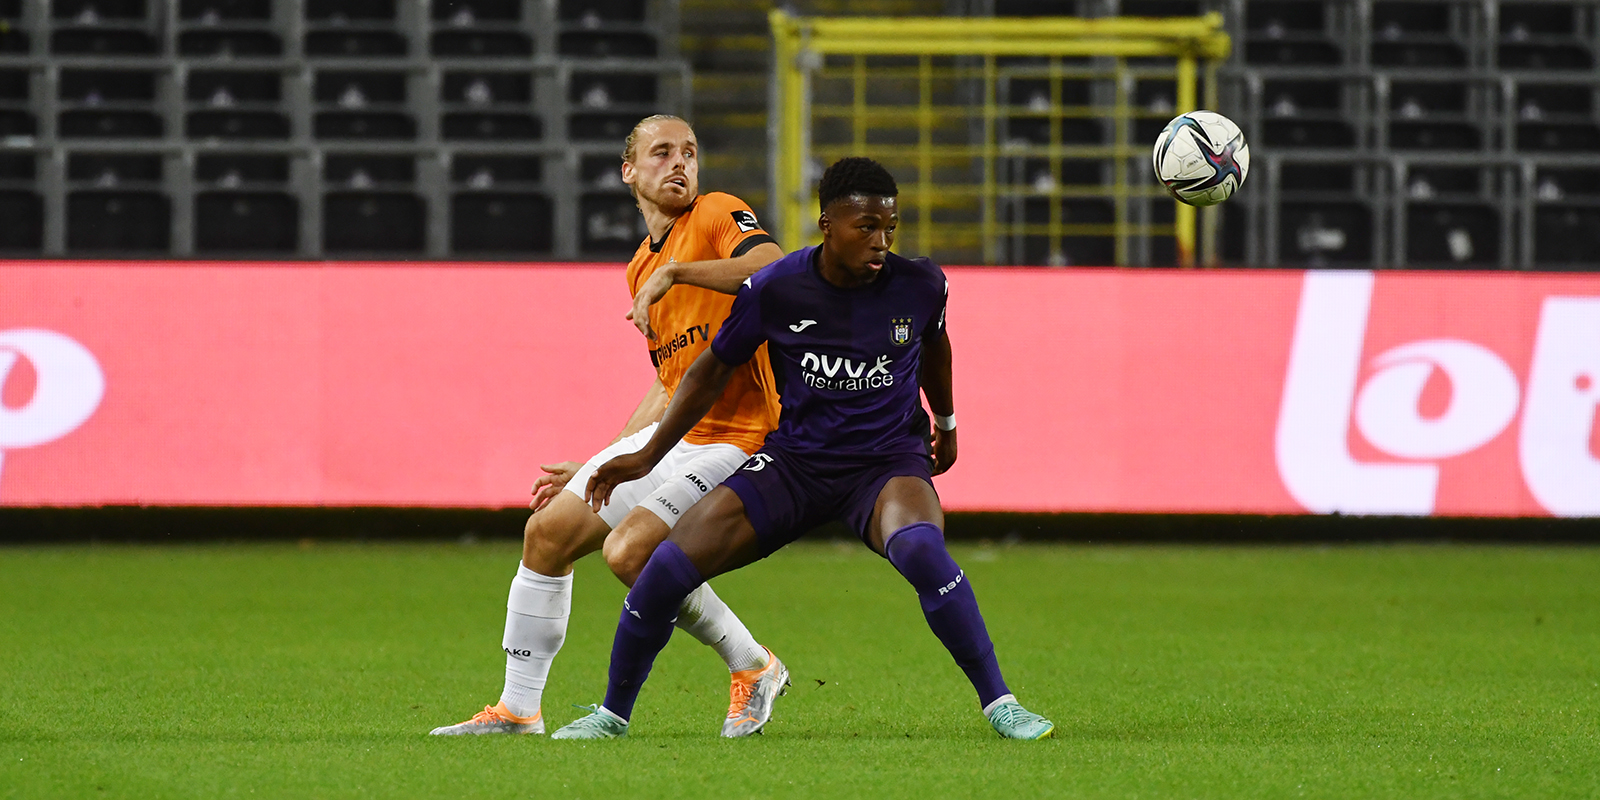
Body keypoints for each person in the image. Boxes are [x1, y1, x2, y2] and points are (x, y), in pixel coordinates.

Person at [550, 157, 1054, 741]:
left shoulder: (922, 283)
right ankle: (611, 716)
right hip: (795, 465)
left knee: (921, 551)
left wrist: (946, 422)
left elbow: (936, 349)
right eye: (865, 227)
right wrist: (646, 456)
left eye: (890, 227)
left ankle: (1002, 704)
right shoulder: (777, 288)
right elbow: (710, 372)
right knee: (663, 566)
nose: (881, 242)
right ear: (826, 225)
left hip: (884, 465)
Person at [431, 115, 792, 739]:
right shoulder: (639, 268)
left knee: (629, 553)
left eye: (689, 152)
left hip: (742, 439)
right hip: (681, 438)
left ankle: (753, 664)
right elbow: (670, 384)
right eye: (661, 153)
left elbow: (774, 267)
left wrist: (678, 273)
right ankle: (519, 709)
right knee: (547, 534)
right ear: (629, 171)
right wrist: (608, 458)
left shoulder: (714, 216)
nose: (679, 163)